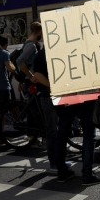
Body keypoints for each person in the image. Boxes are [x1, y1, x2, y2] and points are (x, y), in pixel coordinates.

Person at [30, 47, 72, 178]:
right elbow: (36, 75)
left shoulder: (47, 52)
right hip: (49, 96)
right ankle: (54, 163)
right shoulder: (42, 54)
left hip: (53, 95)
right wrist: (53, 87)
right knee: (53, 130)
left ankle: (58, 162)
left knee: (56, 130)